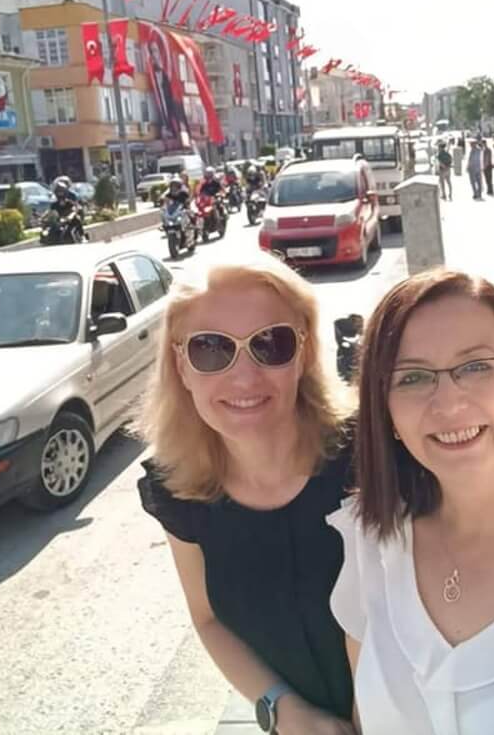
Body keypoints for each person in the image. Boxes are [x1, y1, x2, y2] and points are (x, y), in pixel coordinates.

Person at [329, 269, 494, 734]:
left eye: (476, 366)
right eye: (412, 378)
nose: (447, 403)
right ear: (383, 410)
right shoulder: (370, 544)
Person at [135, 254, 357, 734]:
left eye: (270, 344)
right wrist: (284, 708)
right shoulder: (178, 490)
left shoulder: (371, 455)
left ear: (305, 352)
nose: (243, 377)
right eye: (211, 349)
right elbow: (208, 619)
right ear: (181, 364)